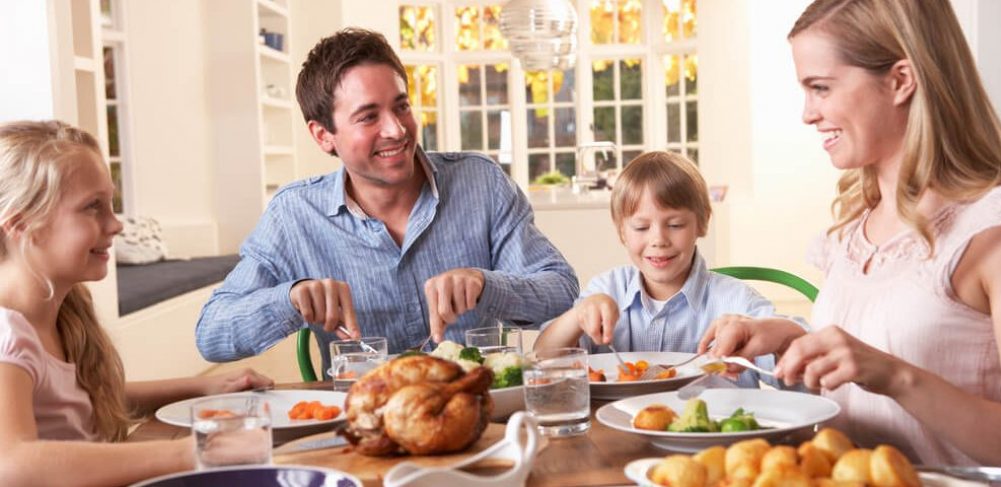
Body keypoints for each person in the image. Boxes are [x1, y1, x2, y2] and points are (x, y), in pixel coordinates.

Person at [700, 0, 1001, 466]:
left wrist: (896, 376)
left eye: (821, 88)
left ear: (900, 81)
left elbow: (888, 367)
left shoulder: (993, 232)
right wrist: (789, 339)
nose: (808, 114)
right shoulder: (853, 227)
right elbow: (868, 365)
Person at [195, 28, 578, 369]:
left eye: (401, 106)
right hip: (368, 425)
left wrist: (485, 285)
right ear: (323, 136)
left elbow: (561, 290)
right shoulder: (294, 215)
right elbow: (211, 334)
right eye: (368, 117)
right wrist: (290, 300)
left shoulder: (481, 181)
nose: (396, 129)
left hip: (480, 412)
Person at [0, 120, 273, 486]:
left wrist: (205, 387)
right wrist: (196, 451)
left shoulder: (62, 312)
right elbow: (12, 462)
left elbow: (86, 398)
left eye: (110, 204)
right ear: (21, 225)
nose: (116, 224)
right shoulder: (7, 334)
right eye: (92, 207)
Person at [535, 151, 803, 387]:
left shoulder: (737, 302)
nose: (659, 240)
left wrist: (776, 337)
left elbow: (799, 375)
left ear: (702, 224)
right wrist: (577, 316)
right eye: (641, 228)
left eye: (675, 225)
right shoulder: (606, 290)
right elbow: (541, 361)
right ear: (622, 232)